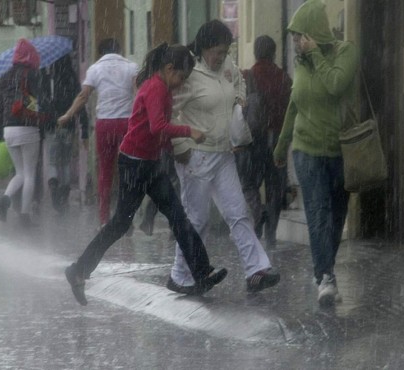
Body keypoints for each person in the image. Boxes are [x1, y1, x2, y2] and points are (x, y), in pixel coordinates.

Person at [60, 43, 227, 306]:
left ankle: (202, 272)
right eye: (181, 77)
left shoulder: (162, 87)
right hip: (135, 164)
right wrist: (188, 132)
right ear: (169, 69)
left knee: (177, 216)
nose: (182, 84)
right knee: (121, 224)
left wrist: (172, 152)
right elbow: (157, 125)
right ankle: (78, 270)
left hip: (149, 163)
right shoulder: (155, 88)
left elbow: (157, 132)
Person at [167, 20, 280, 295]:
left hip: (224, 155)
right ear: (204, 49)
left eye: (225, 50)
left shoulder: (227, 65)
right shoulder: (189, 75)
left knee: (238, 212)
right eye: (217, 51)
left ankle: (256, 270)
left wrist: (240, 99)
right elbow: (169, 112)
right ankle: (180, 275)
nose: (222, 56)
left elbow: (240, 81)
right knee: (197, 219)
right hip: (196, 158)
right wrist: (181, 145)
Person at [273, 0, 359, 305]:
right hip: (307, 150)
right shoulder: (302, 63)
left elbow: (336, 84)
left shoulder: (345, 52)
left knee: (336, 217)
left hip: (341, 150)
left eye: (300, 35)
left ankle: (324, 270)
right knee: (319, 213)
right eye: (294, 37)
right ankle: (326, 277)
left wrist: (317, 55)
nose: (296, 42)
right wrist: (282, 145)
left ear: (315, 33)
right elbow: (295, 104)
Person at [58, 38, 138, 227]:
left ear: (100, 52)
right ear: (119, 49)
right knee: (128, 171)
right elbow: (138, 93)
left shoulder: (95, 69)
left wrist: (68, 114)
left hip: (105, 125)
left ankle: (104, 218)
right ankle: (127, 218)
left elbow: (83, 96)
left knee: (105, 170)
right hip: (127, 125)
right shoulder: (131, 67)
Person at [235, 36, 292, 245]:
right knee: (275, 186)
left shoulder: (248, 76)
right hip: (278, 137)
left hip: (255, 138)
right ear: (274, 52)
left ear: (256, 53)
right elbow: (290, 109)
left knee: (249, 182)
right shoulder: (284, 78)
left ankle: (258, 214)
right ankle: (271, 235)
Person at [0, 38, 46, 227]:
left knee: (20, 173)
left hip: (8, 128)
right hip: (28, 126)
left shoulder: (5, 76)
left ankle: (6, 198)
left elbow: (0, 107)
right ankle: (25, 215)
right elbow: (41, 101)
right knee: (30, 174)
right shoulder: (33, 74)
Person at [44, 56, 89, 213]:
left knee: (53, 162)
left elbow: (43, 104)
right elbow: (80, 103)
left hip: (52, 126)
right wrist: (84, 128)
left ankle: (53, 185)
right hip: (69, 126)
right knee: (66, 162)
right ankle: (64, 193)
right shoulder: (71, 79)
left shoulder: (49, 80)